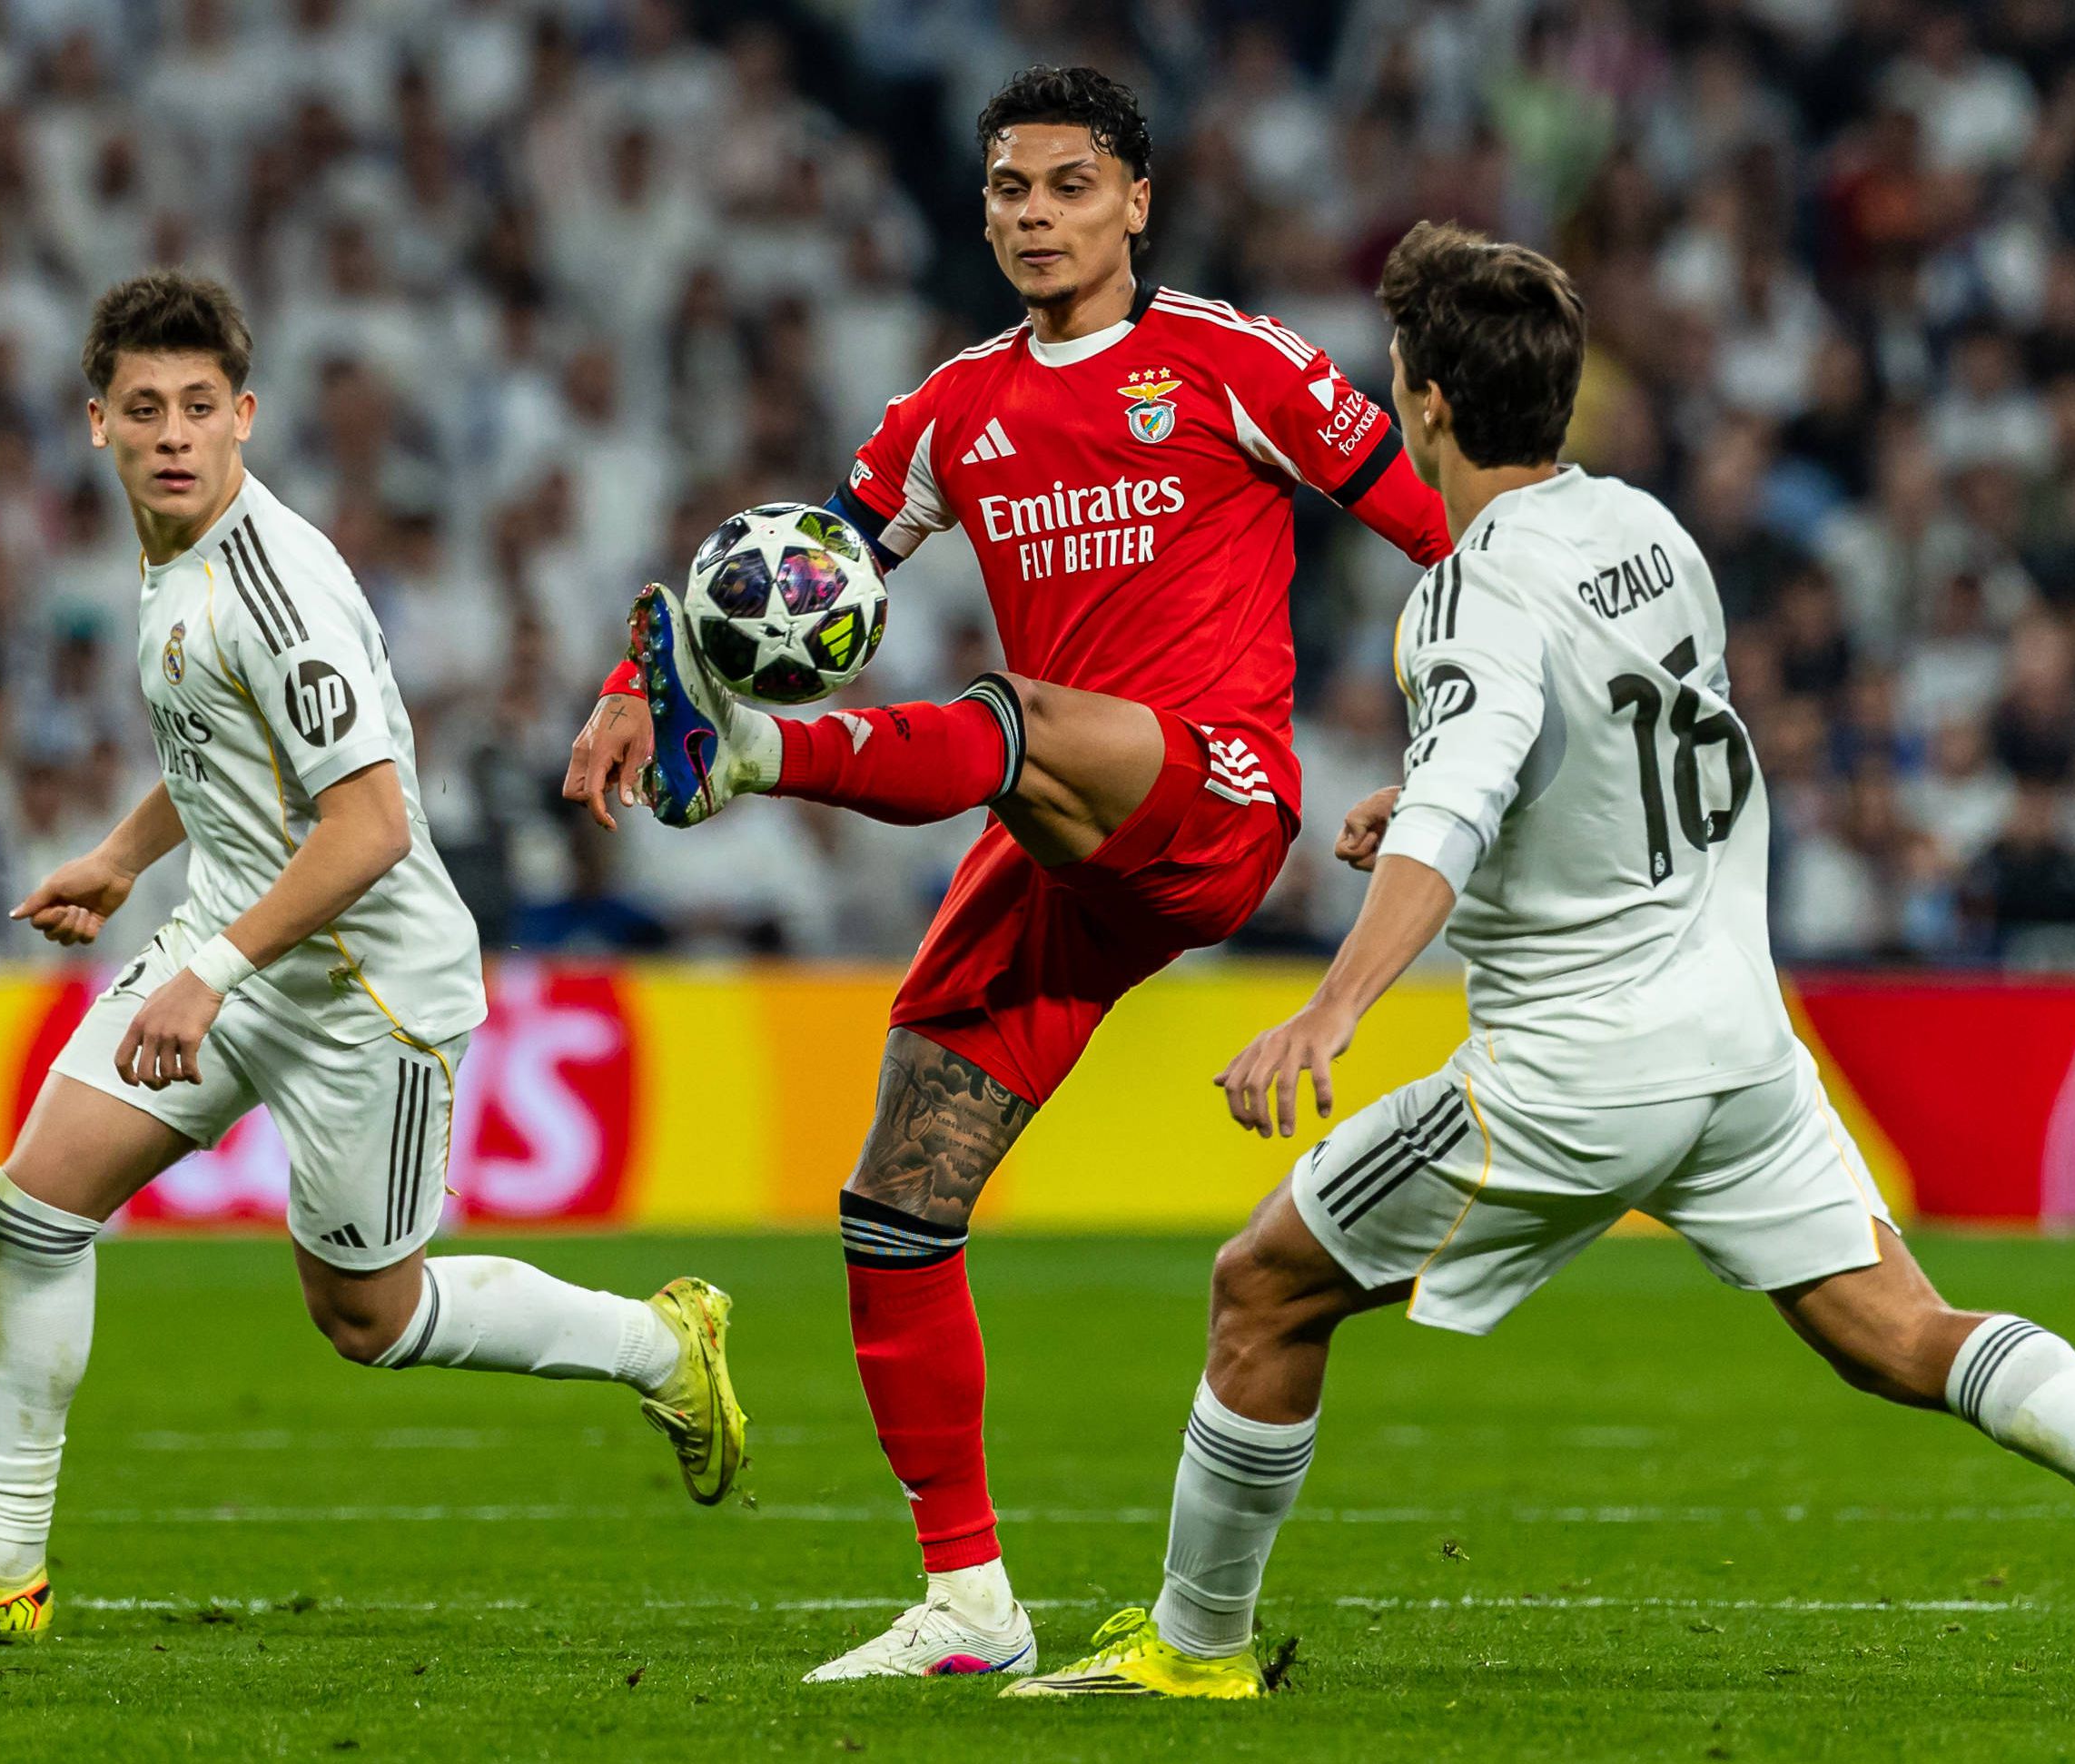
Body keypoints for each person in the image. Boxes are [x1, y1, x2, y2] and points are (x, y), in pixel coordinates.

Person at [1002, 223, 2075, 1710]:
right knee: (1907, 1334)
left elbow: (1466, 798)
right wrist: (1445, 794)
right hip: (1742, 1050)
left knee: (1261, 1287)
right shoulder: (1650, 532)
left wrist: (1335, 1002)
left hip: (1574, 1073)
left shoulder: (1466, 592)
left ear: (1430, 405)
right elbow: (1611, 748)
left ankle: (1193, 1653)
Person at [562, 66, 1450, 1681]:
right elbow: (799, 573)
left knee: (1021, 716)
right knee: (895, 1211)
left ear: (1136, 201)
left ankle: (756, 764)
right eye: (1007, 191)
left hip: (1212, 800)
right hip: (1042, 839)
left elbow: (1450, 547)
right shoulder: (952, 410)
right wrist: (649, 670)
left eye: (1065, 186)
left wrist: (1453, 763)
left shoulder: (1234, 363)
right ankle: (968, 1603)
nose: (1032, 217)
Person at [0, 271, 744, 1650]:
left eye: (202, 407)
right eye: (147, 408)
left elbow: (370, 824)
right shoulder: (169, 561)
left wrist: (209, 973)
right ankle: (4, 1566)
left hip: (362, 988)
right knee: (33, 1207)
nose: (176, 432)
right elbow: (219, 739)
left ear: (246, 417)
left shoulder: (274, 583)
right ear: (99, 427)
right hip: (237, 939)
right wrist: (131, 860)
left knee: (364, 1318)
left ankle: (661, 1347)